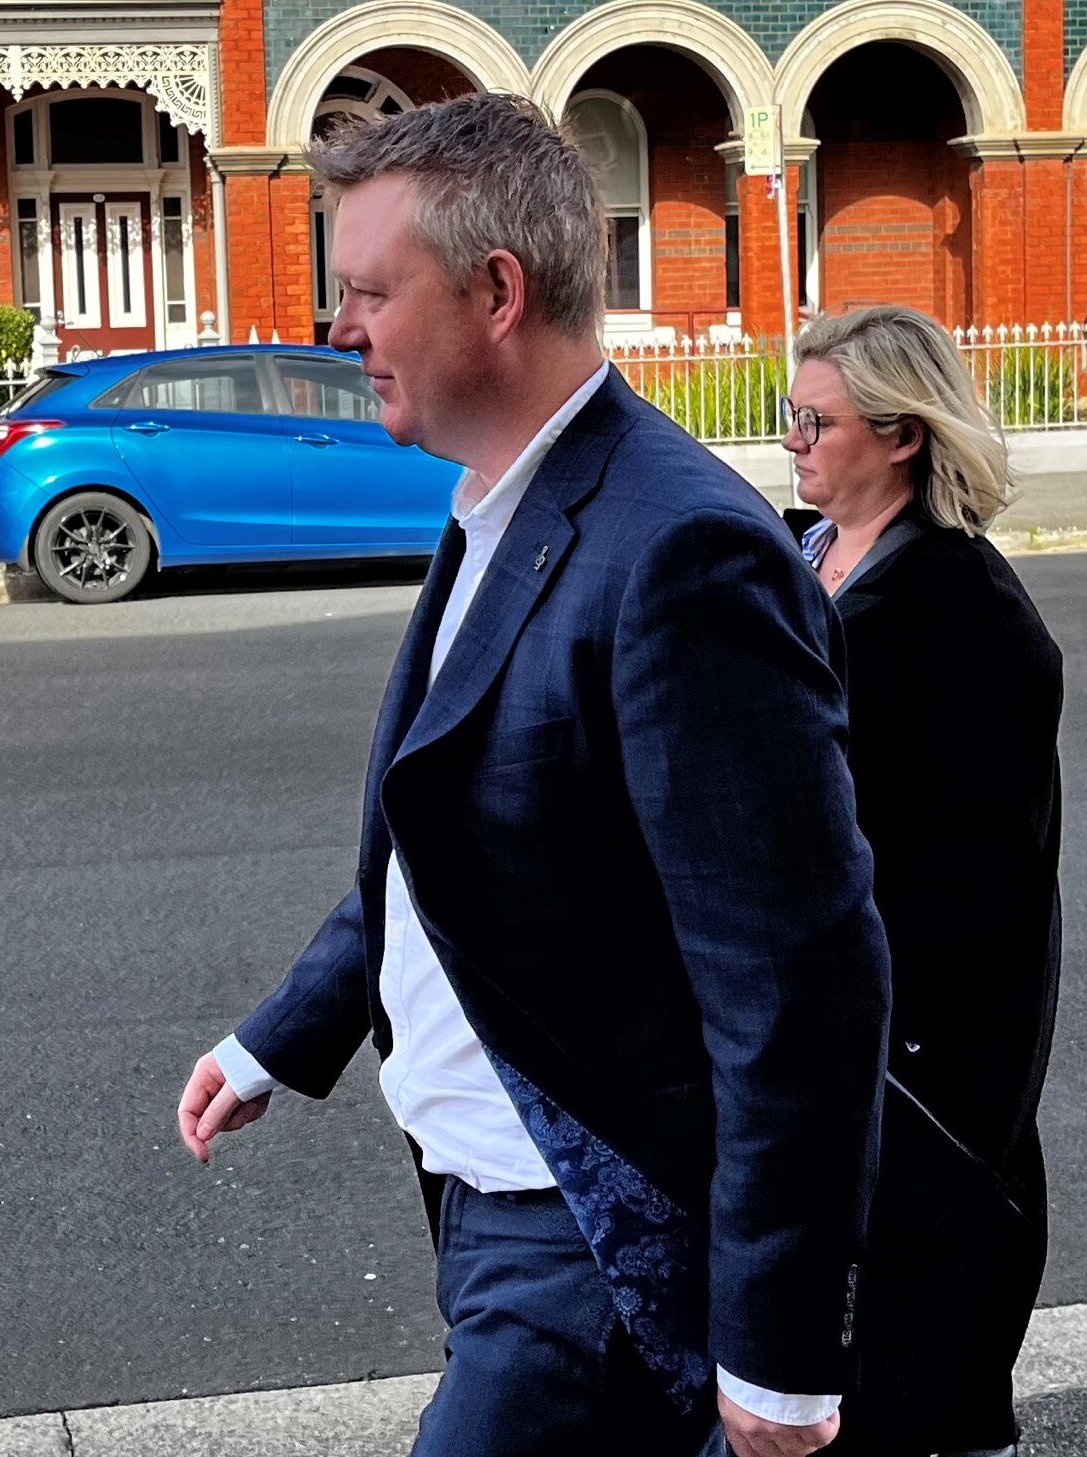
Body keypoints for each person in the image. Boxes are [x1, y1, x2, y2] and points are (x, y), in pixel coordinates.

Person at [175, 93, 891, 1457]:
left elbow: (798, 976)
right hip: (485, 1208)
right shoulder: (503, 499)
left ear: (495, 292)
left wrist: (781, 1350)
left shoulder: (678, 549)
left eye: (369, 291)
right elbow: (456, 839)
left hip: (588, 1249)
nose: (340, 330)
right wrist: (280, 1034)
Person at [779, 306, 1065, 1457]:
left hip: (917, 1072)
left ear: (901, 435)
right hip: (817, 1039)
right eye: (787, 414)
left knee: (919, 1370)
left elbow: (978, 888)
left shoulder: (967, 612)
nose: (791, 440)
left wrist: (865, 1024)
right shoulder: (797, 552)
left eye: (817, 420)